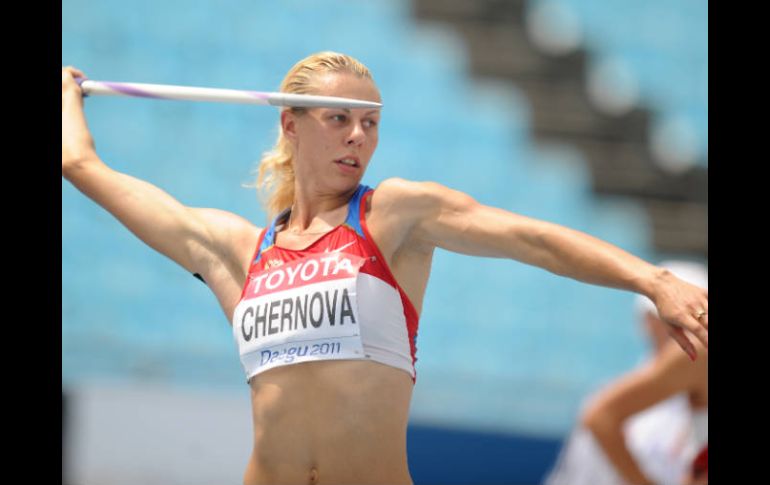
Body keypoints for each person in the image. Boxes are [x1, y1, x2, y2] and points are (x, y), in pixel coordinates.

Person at [61, 52, 708, 485]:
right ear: (289, 124)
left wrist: (651, 279)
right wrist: (68, 95)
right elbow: (81, 165)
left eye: (369, 123)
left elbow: (528, 239)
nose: (357, 137)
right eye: (337, 119)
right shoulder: (237, 251)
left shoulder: (392, 218)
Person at [543, 261, 708, 485]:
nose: (675, 326)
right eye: (663, 315)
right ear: (645, 321)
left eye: (693, 315)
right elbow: (599, 419)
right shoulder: (692, 363)